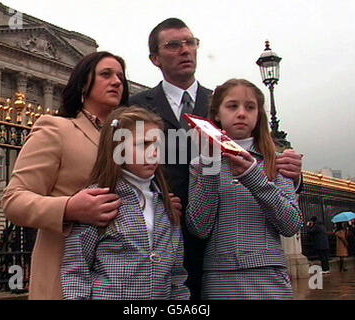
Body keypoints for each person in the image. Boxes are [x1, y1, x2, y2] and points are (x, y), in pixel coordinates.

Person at [130, 18, 304, 299]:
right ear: (155, 58)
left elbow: (265, 155)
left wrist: (293, 175)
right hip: (164, 236)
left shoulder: (222, 101)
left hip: (225, 247)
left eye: (190, 42)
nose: (185, 50)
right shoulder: (136, 106)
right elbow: (127, 165)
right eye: (174, 45)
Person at [1, 51, 129, 299]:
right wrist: (69, 208)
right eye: (106, 74)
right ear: (83, 83)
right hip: (67, 271)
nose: (116, 82)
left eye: (121, 77)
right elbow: (13, 200)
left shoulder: (129, 139)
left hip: (122, 277)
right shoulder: (56, 128)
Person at [186, 79, 303, 300]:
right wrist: (211, 164)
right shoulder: (200, 163)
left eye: (250, 107)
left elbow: (291, 224)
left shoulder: (276, 162)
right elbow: (199, 227)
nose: (241, 113)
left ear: (258, 115)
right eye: (232, 106)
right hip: (220, 277)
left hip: (269, 276)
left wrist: (252, 176)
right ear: (217, 114)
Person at [60, 107, 189, 299]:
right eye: (143, 144)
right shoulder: (95, 201)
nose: (153, 153)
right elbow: (76, 270)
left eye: (158, 145)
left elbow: (176, 274)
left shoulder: (165, 204)